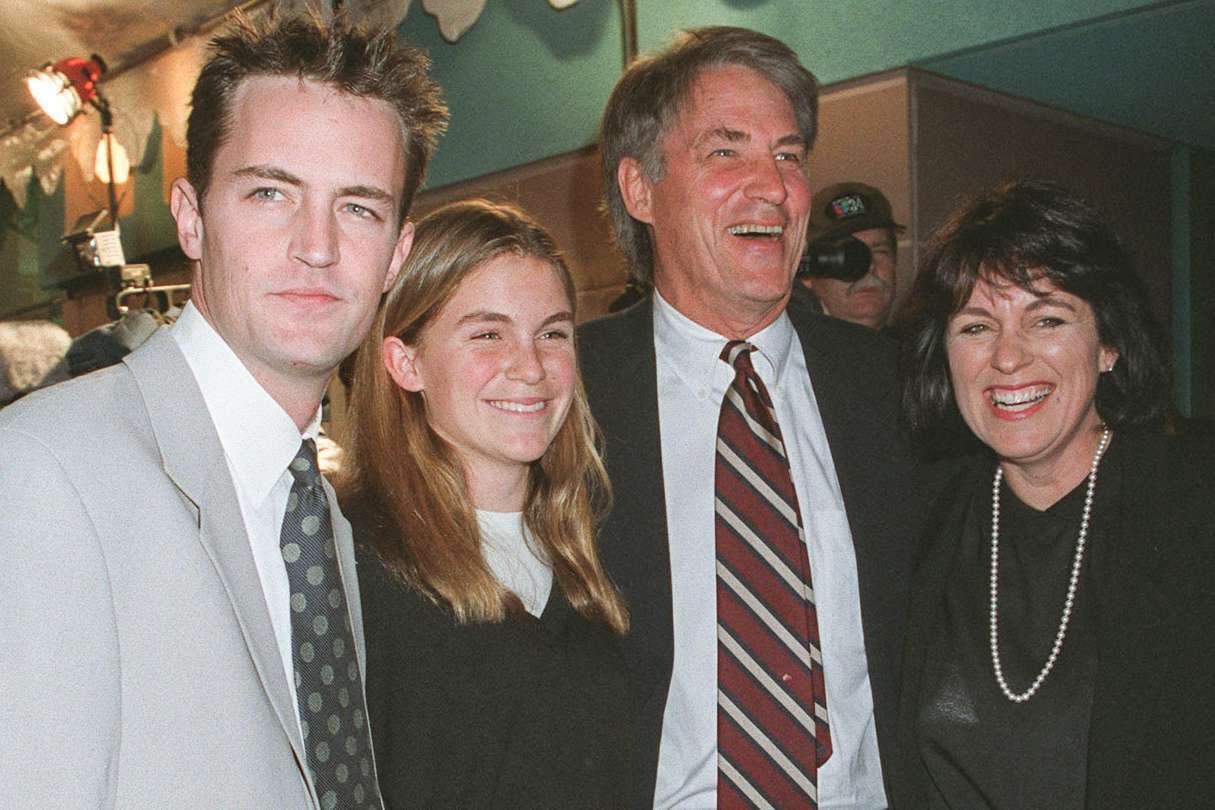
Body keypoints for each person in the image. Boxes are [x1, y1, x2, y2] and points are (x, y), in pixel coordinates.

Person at [0, 13, 446, 807]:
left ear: (397, 256)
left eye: (358, 208)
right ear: (191, 216)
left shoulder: (319, 512)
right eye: (270, 192)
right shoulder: (45, 472)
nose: (317, 245)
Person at [581, 26, 922, 808]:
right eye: (726, 151)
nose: (771, 186)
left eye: (789, 154)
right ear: (639, 189)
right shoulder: (563, 392)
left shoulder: (894, 385)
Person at [894, 179, 1215, 808]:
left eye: (1047, 318)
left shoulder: (1192, 506)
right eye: (976, 326)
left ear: (1109, 345)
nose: (1007, 358)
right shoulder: (917, 520)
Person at [338, 198, 632, 808]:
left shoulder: (598, 541)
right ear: (406, 361)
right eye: (488, 334)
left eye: (552, 333)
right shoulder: (349, 560)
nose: (530, 367)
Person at [799, 181, 902, 330]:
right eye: (850, 255)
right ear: (809, 272)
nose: (869, 266)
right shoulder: (785, 351)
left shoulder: (922, 350)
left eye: (880, 252)